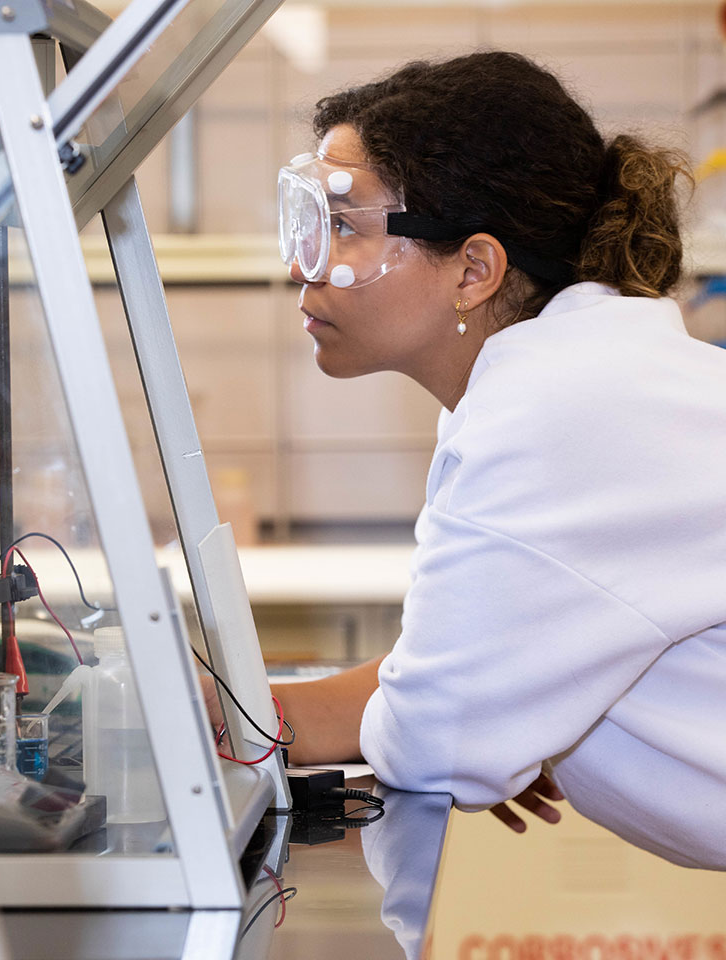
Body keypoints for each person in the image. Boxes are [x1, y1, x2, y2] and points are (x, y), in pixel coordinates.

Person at [262, 50, 726, 869]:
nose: (302, 264)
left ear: (474, 269)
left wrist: (229, 719)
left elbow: (439, 741)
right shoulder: (565, 381)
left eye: (343, 226)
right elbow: (452, 690)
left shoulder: (550, 415)